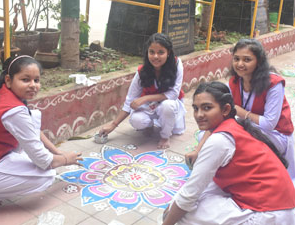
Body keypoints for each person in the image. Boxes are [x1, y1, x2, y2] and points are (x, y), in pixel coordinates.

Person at [0, 55, 83, 225]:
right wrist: (65, 159)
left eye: (36, 80)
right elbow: (43, 161)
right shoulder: (14, 110)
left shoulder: (0, 94)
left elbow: (31, 129)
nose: (33, 85)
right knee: (47, 175)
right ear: (8, 80)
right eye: (25, 79)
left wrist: (57, 151)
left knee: (33, 119)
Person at [163, 81, 295, 225]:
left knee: (184, 214)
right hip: (282, 205)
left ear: (225, 110)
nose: (199, 115)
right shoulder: (235, 124)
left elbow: (189, 196)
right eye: (196, 108)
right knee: (188, 200)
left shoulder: (219, 141)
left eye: (207, 108)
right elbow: (197, 187)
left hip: (271, 213)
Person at [185, 39, 295, 183]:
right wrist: (197, 150)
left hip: (275, 135)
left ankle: (243, 176)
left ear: (259, 61)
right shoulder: (235, 81)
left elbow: (269, 124)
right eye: (236, 59)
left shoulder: (274, 84)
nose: (240, 64)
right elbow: (220, 118)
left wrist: (239, 111)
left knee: (227, 140)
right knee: (207, 137)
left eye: (247, 59)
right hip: (247, 127)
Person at [98, 33, 186, 149]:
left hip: (169, 104)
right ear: (147, 53)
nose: (155, 56)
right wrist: (113, 125)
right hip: (149, 106)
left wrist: (146, 98)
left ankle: (165, 136)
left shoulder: (176, 64)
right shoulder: (142, 71)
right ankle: (149, 125)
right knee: (136, 120)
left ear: (168, 53)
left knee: (167, 106)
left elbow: (173, 94)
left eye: (161, 52)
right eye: (151, 52)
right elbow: (130, 100)